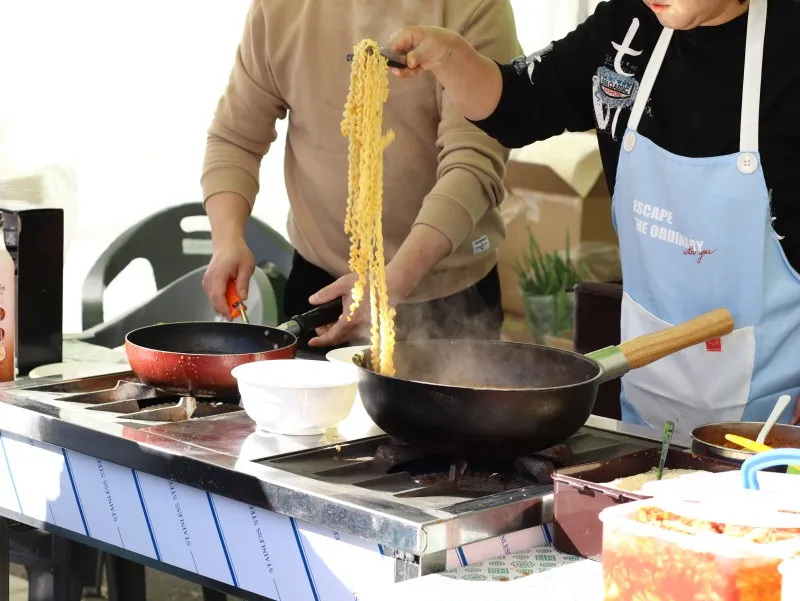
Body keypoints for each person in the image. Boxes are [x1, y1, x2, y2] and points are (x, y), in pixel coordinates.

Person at [387, 0, 800, 435]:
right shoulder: (627, 29)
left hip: (775, 433)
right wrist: (450, 56)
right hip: (646, 414)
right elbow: (517, 104)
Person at [201, 0, 522, 351]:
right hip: (320, 285)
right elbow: (235, 138)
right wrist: (227, 240)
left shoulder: (474, 8)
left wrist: (389, 284)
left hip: (449, 292)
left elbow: (473, 164)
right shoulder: (279, 8)